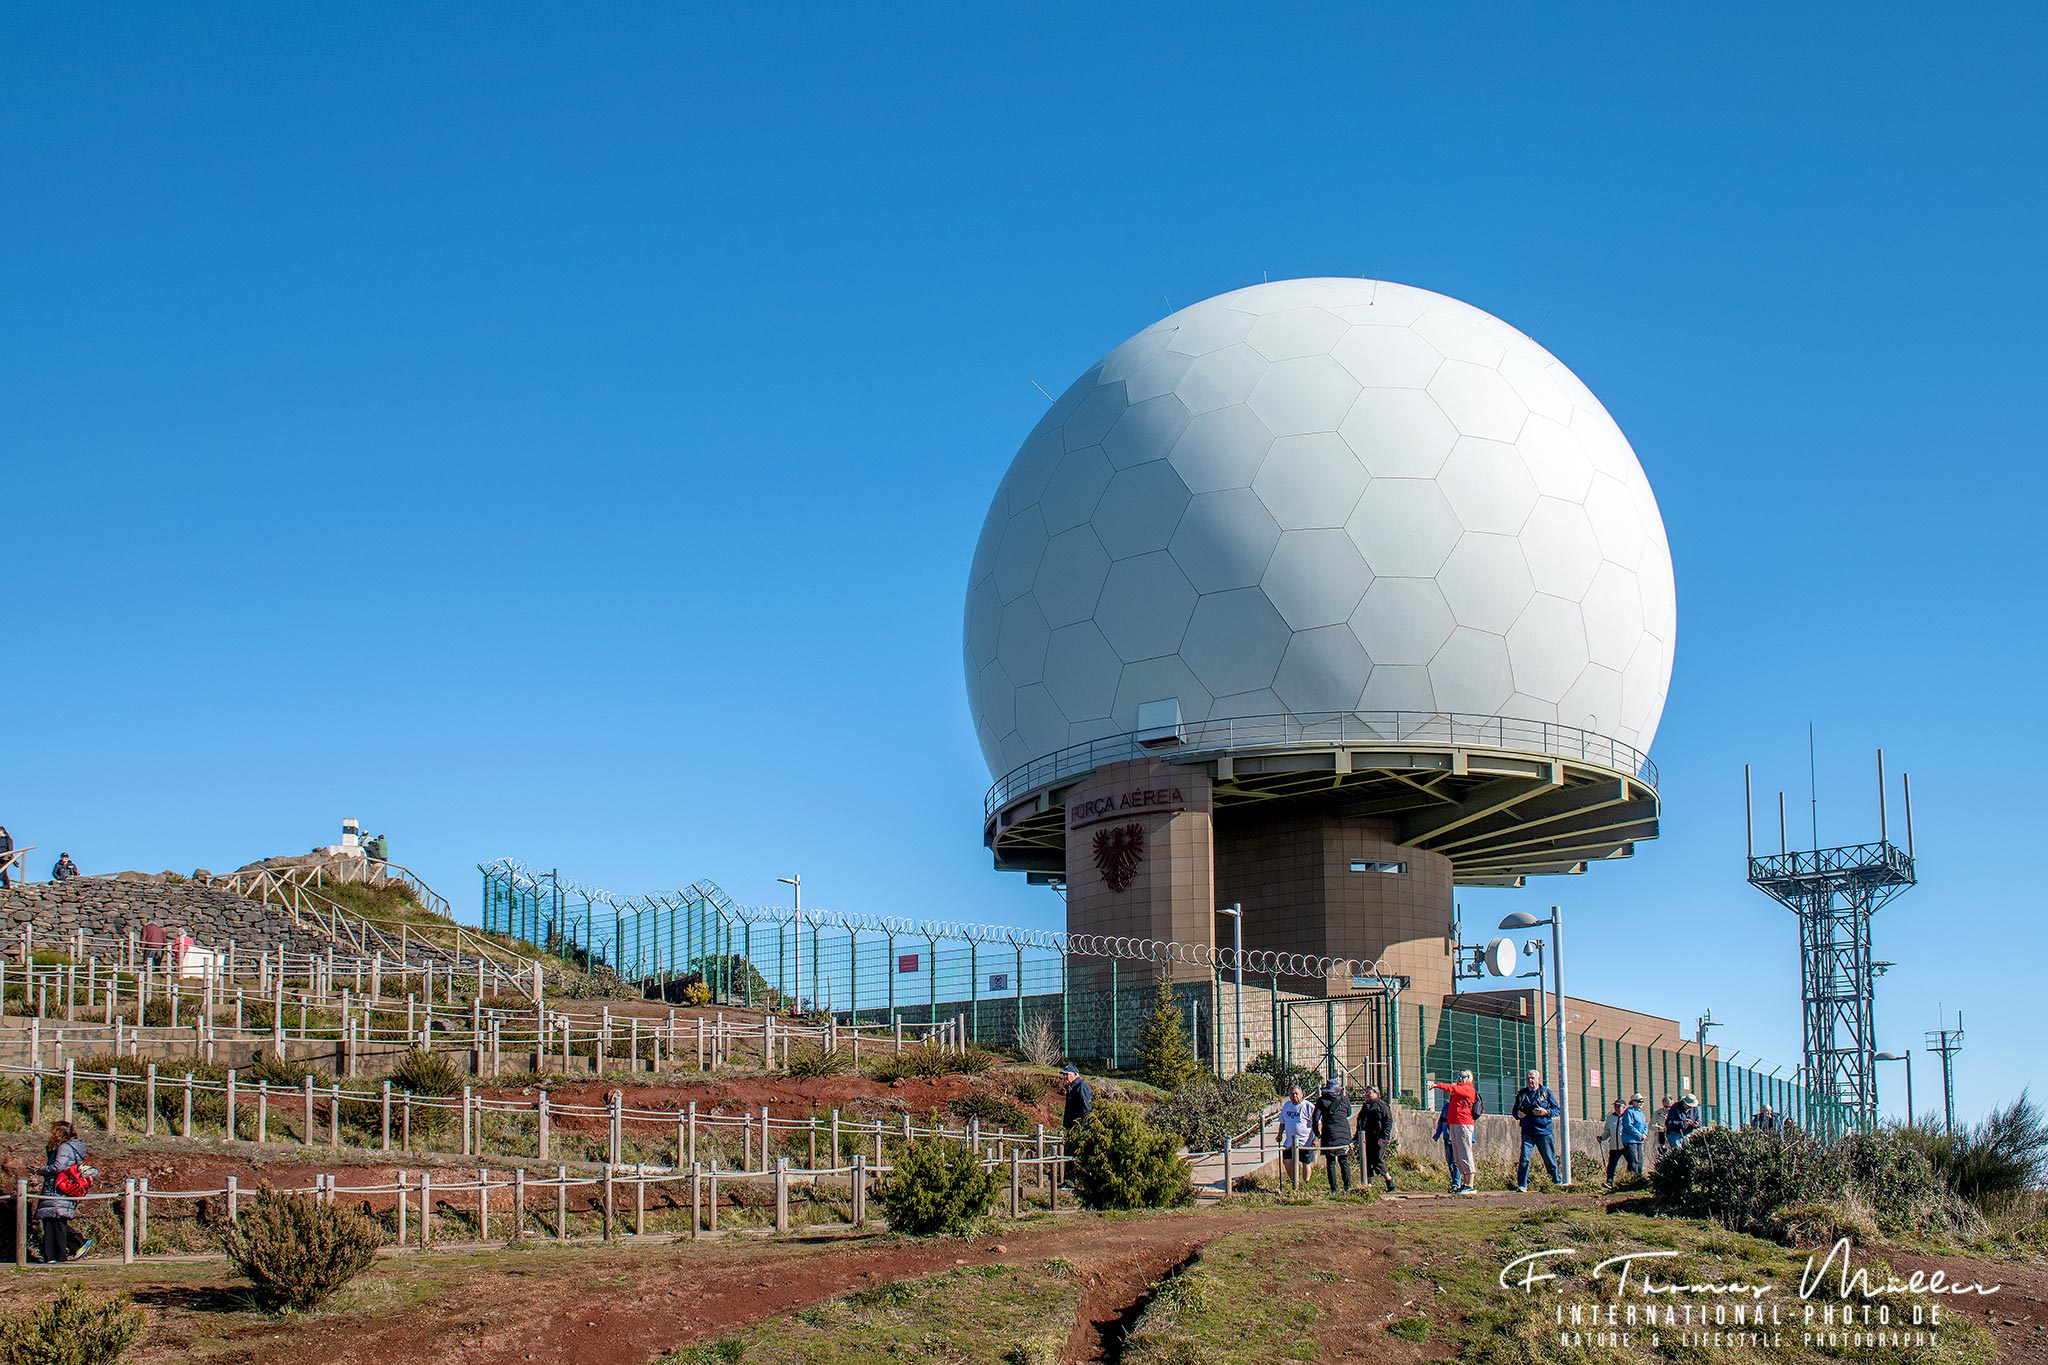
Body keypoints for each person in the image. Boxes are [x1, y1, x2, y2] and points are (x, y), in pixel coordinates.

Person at [35, 1121, 94, 1263]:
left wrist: (41, 1170)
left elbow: (59, 1166)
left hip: (58, 1188)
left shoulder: (64, 1147)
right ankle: (53, 1254)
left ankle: (58, 1254)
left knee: (56, 1221)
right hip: (57, 1188)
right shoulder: (67, 1147)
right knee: (52, 1220)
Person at [1510, 1069, 1567, 1192]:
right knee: (1524, 1158)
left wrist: (1546, 1112)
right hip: (1527, 1131)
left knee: (1549, 1158)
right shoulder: (1522, 1095)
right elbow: (1514, 1111)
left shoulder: (1546, 1092)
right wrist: (1518, 1114)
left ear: (1538, 1079)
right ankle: (1522, 1185)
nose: (1530, 1080)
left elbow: (1557, 1109)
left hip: (1543, 1131)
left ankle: (1556, 1181)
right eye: (1528, 1078)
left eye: (1532, 1078)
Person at [1431, 1069, 1479, 1193]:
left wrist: (1437, 1085)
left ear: (1469, 1078)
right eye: (1458, 1076)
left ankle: (1470, 1184)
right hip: (1454, 1124)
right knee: (1458, 1155)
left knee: (1465, 1152)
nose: (1460, 1078)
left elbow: (1452, 1088)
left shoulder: (1468, 1089)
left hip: (1463, 1124)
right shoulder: (1457, 1092)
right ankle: (1464, 1183)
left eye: (1463, 1076)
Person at [1311, 1077, 1354, 1193]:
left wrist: (1317, 1133)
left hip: (1329, 1133)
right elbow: (1349, 1113)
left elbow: (1315, 1118)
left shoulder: (1321, 1101)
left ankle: (1334, 1189)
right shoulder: (1344, 1099)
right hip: (1344, 1133)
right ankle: (1348, 1187)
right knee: (1344, 1161)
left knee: (1331, 1162)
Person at [1275, 1084, 1315, 1188]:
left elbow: (1317, 1123)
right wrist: (1279, 1134)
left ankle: (1306, 1184)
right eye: (1292, 1094)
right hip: (1290, 1141)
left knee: (1306, 1163)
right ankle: (1295, 1182)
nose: (1294, 1096)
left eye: (1296, 1094)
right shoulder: (1287, 1106)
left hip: (1305, 1141)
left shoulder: (1308, 1106)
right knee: (1287, 1161)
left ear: (1302, 1094)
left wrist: (1316, 1138)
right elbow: (1282, 1122)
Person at [1356, 1084, 1395, 1192]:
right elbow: (1360, 1121)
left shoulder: (1382, 1105)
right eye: (1366, 1092)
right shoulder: (1365, 1106)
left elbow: (1388, 1121)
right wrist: (1357, 1136)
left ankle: (1389, 1179)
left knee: (1377, 1159)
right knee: (1366, 1160)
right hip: (1367, 1137)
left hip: (1379, 1137)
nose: (1367, 1094)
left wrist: (1385, 1136)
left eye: (1370, 1092)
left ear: (1376, 1093)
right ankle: (1368, 1184)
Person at [1599, 1100, 1629, 1186]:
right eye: (1615, 1106)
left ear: (1624, 1108)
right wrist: (1602, 1137)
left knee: (1631, 1163)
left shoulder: (1627, 1117)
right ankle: (1609, 1181)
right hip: (1614, 1146)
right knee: (1611, 1165)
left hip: (1625, 1145)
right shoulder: (1610, 1118)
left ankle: (1630, 1181)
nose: (1617, 1108)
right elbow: (1607, 1131)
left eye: (1619, 1106)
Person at [1620, 1094, 1649, 1176]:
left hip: (1639, 1141)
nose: (1641, 1103)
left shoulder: (1642, 1113)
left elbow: (1645, 1125)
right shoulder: (1629, 1112)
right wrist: (1639, 1135)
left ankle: (1639, 1177)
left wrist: (1644, 1134)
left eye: (1642, 1101)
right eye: (1639, 1101)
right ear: (1633, 1102)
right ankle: (1633, 1177)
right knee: (1633, 1160)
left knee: (1640, 1161)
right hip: (1630, 1140)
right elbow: (1628, 1126)